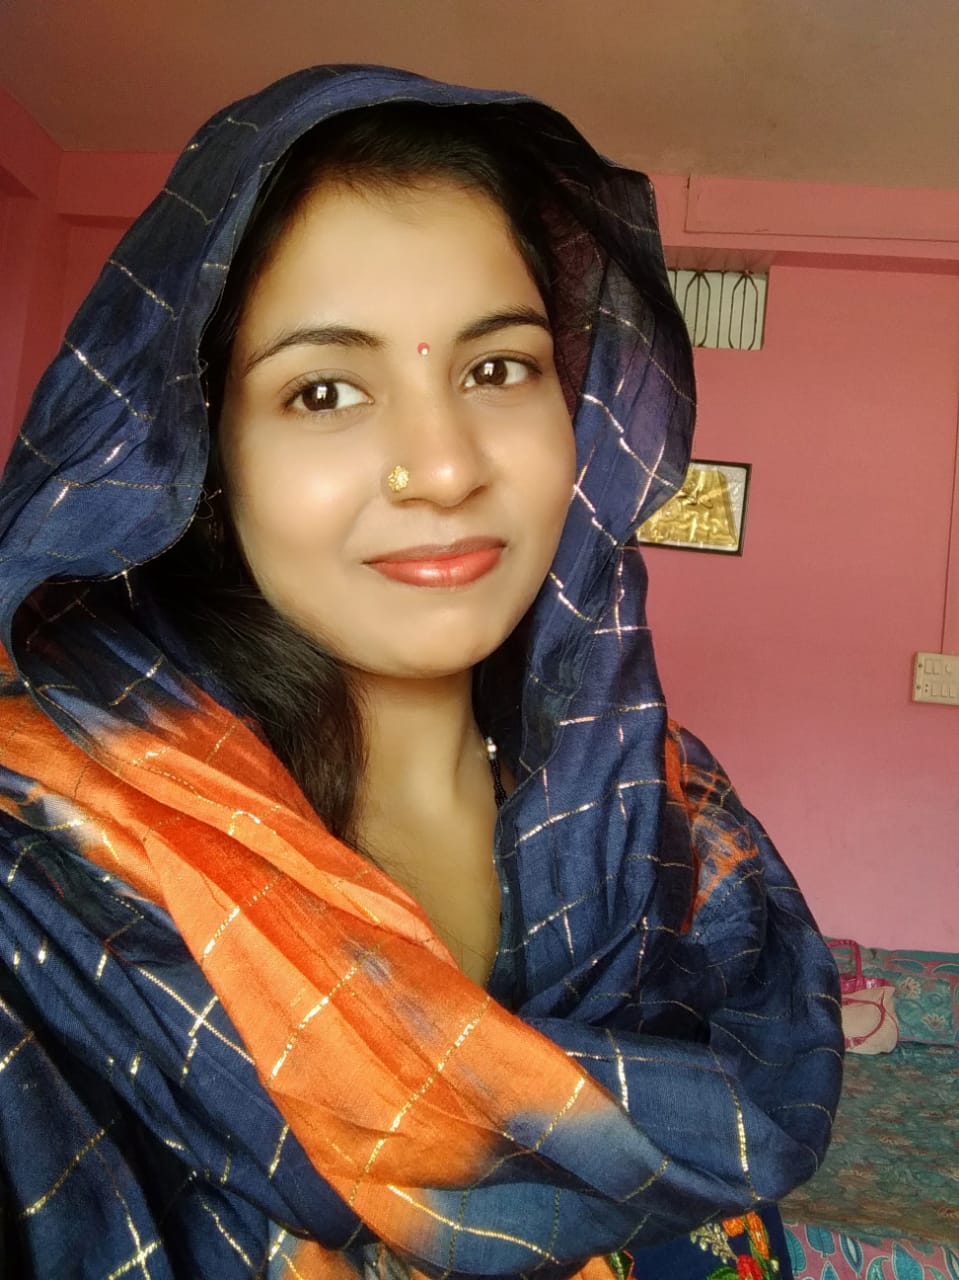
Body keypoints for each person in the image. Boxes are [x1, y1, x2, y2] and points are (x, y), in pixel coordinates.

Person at [0, 66, 842, 1279]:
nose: (443, 468)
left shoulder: (665, 812)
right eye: (324, 390)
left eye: (496, 368)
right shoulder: (46, 877)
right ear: (201, 458)